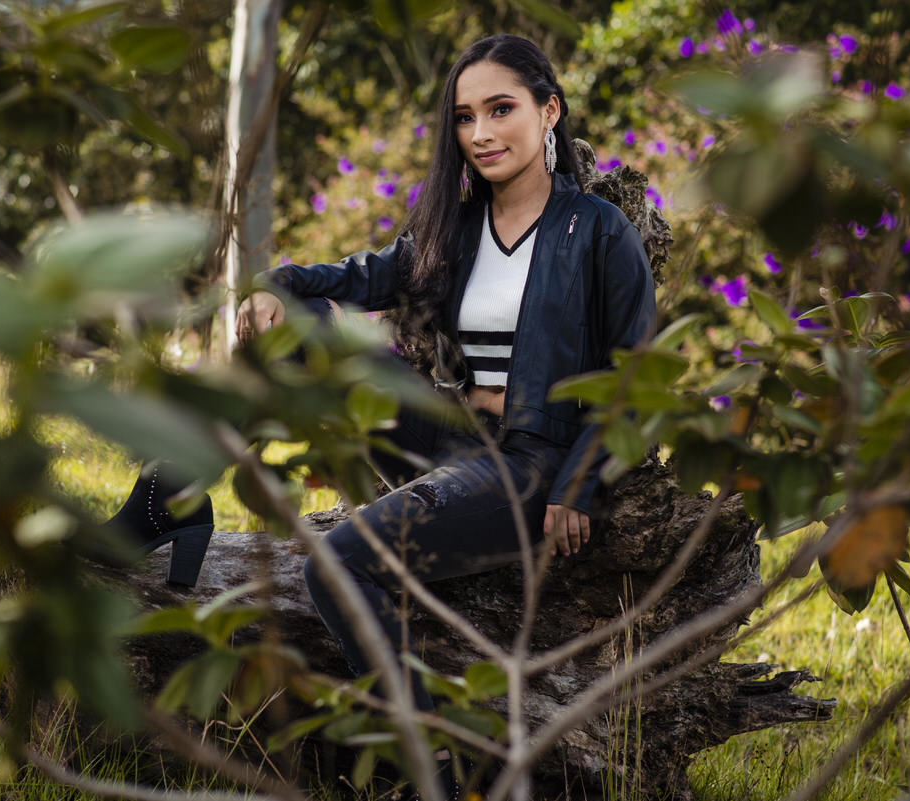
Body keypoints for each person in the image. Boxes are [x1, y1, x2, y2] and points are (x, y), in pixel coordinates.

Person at [236, 33, 656, 795]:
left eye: (502, 110)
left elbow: (633, 376)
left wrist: (579, 481)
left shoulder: (596, 229)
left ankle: (433, 769)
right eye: (465, 118)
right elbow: (354, 277)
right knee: (295, 325)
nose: (482, 134)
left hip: (529, 463)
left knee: (334, 567)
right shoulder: (457, 229)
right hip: (449, 436)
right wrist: (273, 284)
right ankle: (174, 495)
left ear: (549, 110)